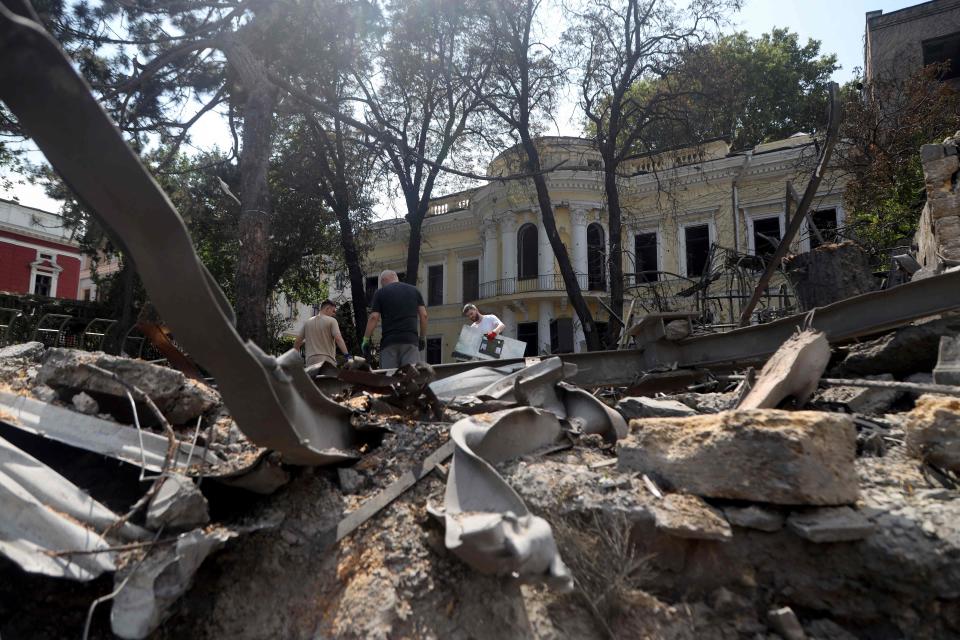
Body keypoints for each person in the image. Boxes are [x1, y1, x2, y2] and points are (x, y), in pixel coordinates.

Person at [362, 270, 428, 368]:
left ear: (384, 280)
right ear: (395, 277)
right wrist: (422, 338)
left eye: (381, 283)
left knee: (390, 378)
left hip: (389, 343)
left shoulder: (380, 293)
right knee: (410, 376)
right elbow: (424, 315)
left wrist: (366, 340)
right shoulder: (414, 290)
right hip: (410, 341)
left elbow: (373, 317)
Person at [294, 299, 350, 366]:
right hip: (327, 360)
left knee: (312, 376)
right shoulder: (332, 321)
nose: (333, 313)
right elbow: (338, 338)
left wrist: (296, 359)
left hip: (310, 361)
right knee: (326, 376)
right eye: (333, 311)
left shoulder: (308, 322)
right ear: (327, 308)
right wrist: (347, 355)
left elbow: (297, 341)